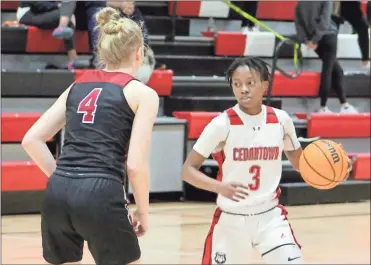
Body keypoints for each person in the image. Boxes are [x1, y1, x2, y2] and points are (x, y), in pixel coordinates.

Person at [22, 6, 159, 265]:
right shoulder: (143, 94)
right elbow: (135, 165)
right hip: (101, 192)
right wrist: (143, 211)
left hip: (58, 192)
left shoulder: (77, 85)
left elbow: (31, 140)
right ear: (140, 53)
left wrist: (66, 178)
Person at [181, 57, 304, 264]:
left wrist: (331, 171)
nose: (243, 89)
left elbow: (302, 164)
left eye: (250, 83)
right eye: (237, 84)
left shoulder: (281, 120)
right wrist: (220, 187)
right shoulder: (222, 124)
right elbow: (188, 170)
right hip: (232, 217)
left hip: (270, 215)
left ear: (265, 85)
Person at [294, 1, 358, 113]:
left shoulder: (300, 3)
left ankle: (345, 105)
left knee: (337, 70)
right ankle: (323, 107)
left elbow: (298, 25)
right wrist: (314, 40)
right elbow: (325, 22)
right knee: (327, 70)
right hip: (328, 36)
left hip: (314, 41)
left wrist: (307, 40)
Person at [16, 1, 77, 69]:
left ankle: (72, 60)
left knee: (67, 13)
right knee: (66, 14)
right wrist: (57, 6)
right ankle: (73, 59)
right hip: (28, 14)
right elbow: (38, 4)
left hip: (41, 13)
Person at [332, 1, 370, 70]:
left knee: (363, 27)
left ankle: (365, 60)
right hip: (335, 4)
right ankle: (331, 61)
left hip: (351, 5)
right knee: (332, 32)